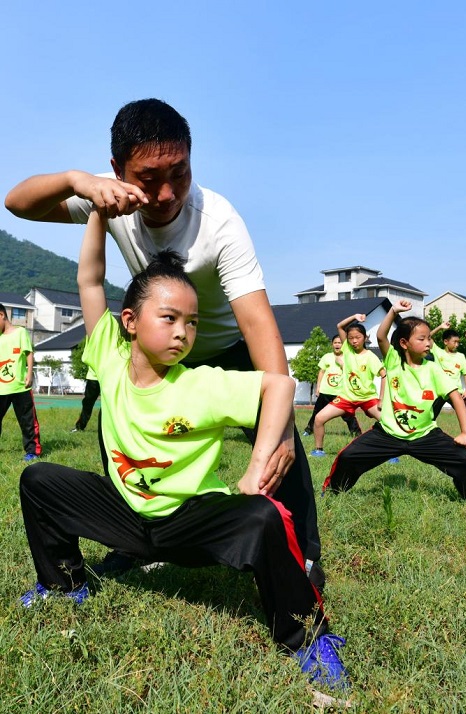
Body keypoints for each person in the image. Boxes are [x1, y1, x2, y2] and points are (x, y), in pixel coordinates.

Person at [18, 214, 349, 692]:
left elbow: (279, 384)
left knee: (264, 515)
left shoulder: (200, 384)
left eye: (191, 323)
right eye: (169, 318)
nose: (182, 332)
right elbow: (89, 279)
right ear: (129, 322)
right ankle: (65, 585)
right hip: (129, 519)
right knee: (40, 481)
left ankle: (306, 638)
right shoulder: (108, 358)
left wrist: (257, 466)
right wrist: (95, 209)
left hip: (192, 522)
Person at [5, 98, 321, 585]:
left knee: (284, 448)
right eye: (149, 179)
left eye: (181, 172)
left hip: (226, 347)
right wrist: (77, 182)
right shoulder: (110, 200)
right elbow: (18, 202)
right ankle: (132, 540)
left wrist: (276, 436)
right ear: (118, 169)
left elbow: (260, 327)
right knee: (124, 438)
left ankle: (303, 558)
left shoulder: (218, 222)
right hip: (159, 351)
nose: (167, 192)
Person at [322, 300, 466, 510]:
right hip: (387, 434)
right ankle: (330, 494)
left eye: (429, 338)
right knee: (347, 457)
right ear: (404, 343)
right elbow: (381, 336)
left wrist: (465, 432)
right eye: (422, 338)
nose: (429, 343)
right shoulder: (393, 361)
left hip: (425, 436)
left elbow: (456, 398)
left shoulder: (434, 369)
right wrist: (393, 311)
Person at [311, 314, 385, 457]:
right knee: (319, 418)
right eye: (350, 338)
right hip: (346, 397)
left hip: (367, 397)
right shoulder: (347, 350)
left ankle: (391, 454)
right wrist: (355, 316)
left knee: (387, 422)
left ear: (365, 337)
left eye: (357, 337)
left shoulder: (371, 357)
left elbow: (384, 375)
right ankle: (318, 450)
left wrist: (381, 398)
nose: (354, 341)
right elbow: (340, 326)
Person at [0, 304, 42, 461]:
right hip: (1, 388)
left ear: (1, 315)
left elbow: (29, 353)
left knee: (27, 421)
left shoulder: (20, 332)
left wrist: (29, 373)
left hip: (20, 386)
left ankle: (32, 451)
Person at [302, 335, 361, 438]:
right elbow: (321, 372)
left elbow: (351, 374)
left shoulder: (349, 357)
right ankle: (309, 430)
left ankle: (356, 434)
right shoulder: (327, 357)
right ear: (332, 344)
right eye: (335, 343)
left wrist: (342, 364)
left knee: (348, 415)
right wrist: (318, 388)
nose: (337, 345)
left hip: (341, 393)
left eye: (340, 343)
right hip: (325, 392)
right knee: (317, 413)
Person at [429, 322, 466, 423]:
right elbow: (428, 337)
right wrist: (440, 327)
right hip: (439, 392)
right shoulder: (437, 352)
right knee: (429, 417)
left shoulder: (461, 356)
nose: (457, 344)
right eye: (454, 342)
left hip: (456, 392)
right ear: (445, 342)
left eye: (458, 342)